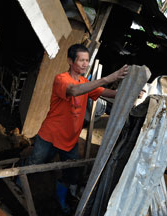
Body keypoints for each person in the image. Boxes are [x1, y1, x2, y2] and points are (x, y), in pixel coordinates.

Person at [21, 44, 129, 214]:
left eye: (87, 60)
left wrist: (129, 92)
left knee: (71, 172)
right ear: (70, 61)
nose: (85, 64)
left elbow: (103, 92)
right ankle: (19, 180)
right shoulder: (61, 79)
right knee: (36, 161)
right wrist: (107, 78)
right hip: (50, 135)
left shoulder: (85, 82)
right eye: (81, 60)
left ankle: (62, 200)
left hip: (69, 139)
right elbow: (74, 91)